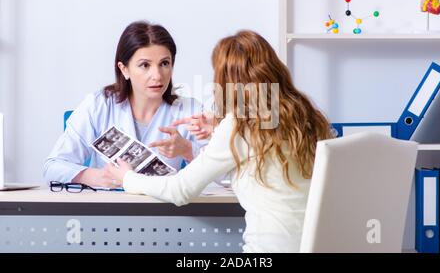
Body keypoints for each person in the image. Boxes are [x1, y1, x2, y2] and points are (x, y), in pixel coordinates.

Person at [105, 30, 334, 252]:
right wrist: (218, 132)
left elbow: (180, 190)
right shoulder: (305, 113)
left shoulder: (239, 124)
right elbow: (261, 158)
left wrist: (127, 178)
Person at [44, 21, 208, 188]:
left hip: (163, 209)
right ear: (124, 69)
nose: (157, 75)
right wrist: (96, 177)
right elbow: (53, 167)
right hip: (110, 208)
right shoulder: (99, 106)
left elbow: (226, 176)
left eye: (164, 63)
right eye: (145, 65)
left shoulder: (190, 111)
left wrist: (188, 150)